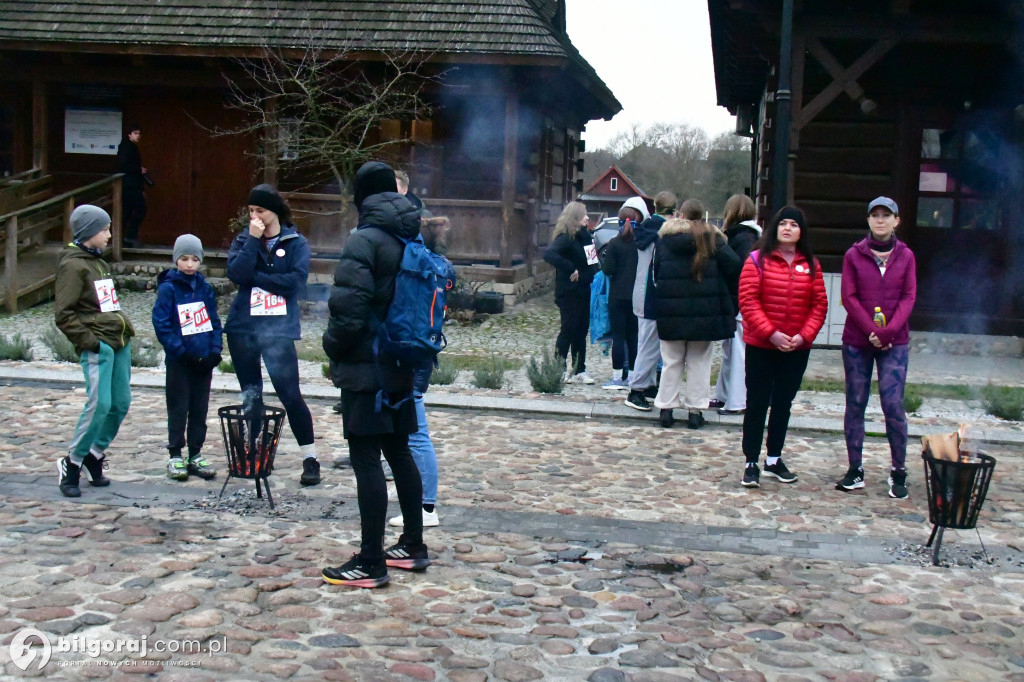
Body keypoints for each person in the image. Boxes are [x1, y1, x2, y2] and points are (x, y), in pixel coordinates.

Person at [322, 161, 429, 588]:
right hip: (403, 362)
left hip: (368, 368)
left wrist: (332, 347)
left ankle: (370, 561)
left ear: (361, 197)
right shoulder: (412, 236)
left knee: (367, 457)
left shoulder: (364, 239)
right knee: (400, 451)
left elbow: (348, 309)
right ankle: (412, 545)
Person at [225, 184, 320, 486]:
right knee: (251, 394)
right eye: (251, 211)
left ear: (274, 211)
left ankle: (310, 457)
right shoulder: (244, 239)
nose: (255, 216)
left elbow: (294, 282)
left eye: (260, 211)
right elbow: (237, 274)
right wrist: (253, 242)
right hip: (244, 328)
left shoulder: (296, 242)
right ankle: (255, 452)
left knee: (290, 394)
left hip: (278, 330)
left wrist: (258, 278)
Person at [738, 206, 827, 488]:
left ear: (802, 231)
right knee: (757, 403)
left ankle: (774, 458)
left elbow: (819, 305)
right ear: (774, 228)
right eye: (783, 224)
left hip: (796, 348)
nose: (788, 228)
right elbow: (749, 302)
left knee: (782, 404)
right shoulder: (756, 260)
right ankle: (751, 460)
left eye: (794, 224)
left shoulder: (811, 265)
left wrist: (804, 336)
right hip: (762, 346)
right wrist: (772, 334)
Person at [837, 197, 917, 499]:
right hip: (858, 341)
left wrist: (889, 331)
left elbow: (909, 296)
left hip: (895, 342)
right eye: (875, 215)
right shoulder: (853, 255)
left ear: (896, 220)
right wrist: (872, 330)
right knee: (856, 402)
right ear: (868, 220)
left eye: (887, 215)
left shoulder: (906, 256)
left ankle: (898, 470)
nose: (880, 220)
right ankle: (855, 468)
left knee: (893, 404)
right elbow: (849, 296)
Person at [54, 205, 136, 497]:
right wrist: (92, 343)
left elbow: (106, 304)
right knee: (98, 405)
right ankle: (72, 462)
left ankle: (94, 454)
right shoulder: (73, 265)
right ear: (89, 232)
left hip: (118, 341)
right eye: (105, 229)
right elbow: (64, 314)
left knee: (120, 403)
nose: (109, 235)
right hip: (99, 345)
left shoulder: (100, 263)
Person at [388, 215, 453, 530]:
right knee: (409, 430)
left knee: (416, 433)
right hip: (424, 351)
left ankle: (426, 506)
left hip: (408, 352)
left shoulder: (412, 257)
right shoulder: (438, 263)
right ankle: (418, 497)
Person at [652, 200, 740, 429]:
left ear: (681, 214)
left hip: (671, 308)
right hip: (705, 309)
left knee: (671, 361)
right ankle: (695, 411)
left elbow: (656, 273)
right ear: (703, 216)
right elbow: (735, 266)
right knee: (699, 362)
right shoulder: (713, 240)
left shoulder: (665, 240)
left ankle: (666, 408)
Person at [152, 234, 223, 482]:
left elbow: (214, 322)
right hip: (180, 360)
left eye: (194, 259)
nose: (190, 264)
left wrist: (215, 350)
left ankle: (195, 452)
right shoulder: (169, 289)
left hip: (203, 359)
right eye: (184, 259)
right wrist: (180, 352)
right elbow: (162, 324)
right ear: (176, 260)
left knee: (199, 407)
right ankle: (175, 453)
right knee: (178, 406)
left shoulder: (205, 289)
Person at [625, 191, 676, 411]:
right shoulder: (663, 233)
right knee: (648, 346)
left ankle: (648, 384)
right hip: (652, 294)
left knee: (648, 343)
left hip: (641, 291)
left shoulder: (646, 228)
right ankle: (635, 389)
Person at [712, 194, 761, 415]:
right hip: (736, 300)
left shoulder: (743, 239)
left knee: (738, 352)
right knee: (730, 350)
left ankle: (737, 401)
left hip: (740, 302)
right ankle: (723, 395)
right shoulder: (747, 237)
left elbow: (740, 272)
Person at [544, 201, 598, 384]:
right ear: (575, 217)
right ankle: (557, 370)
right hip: (569, 293)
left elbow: (593, 264)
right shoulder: (565, 237)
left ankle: (578, 370)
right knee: (568, 330)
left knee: (581, 331)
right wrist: (570, 268)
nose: (587, 217)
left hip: (585, 290)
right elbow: (549, 254)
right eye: (584, 215)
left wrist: (591, 278)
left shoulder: (587, 237)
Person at [600, 210, 640, 390]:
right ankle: (632, 376)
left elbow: (607, 270)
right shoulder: (640, 243)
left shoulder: (614, 243)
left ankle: (617, 378)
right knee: (633, 337)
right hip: (636, 296)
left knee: (618, 337)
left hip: (617, 295)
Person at [117, 125, 147, 248]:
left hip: (131, 185)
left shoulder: (129, 147)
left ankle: (123, 238)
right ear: (129, 134)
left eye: (139, 133)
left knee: (127, 213)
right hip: (130, 186)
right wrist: (138, 170)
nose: (138, 136)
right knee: (139, 210)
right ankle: (128, 237)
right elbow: (123, 165)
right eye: (135, 133)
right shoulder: (127, 147)